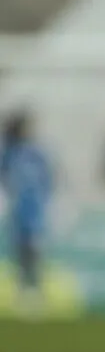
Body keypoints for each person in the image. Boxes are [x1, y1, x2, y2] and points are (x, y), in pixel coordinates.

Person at [0, 110, 53, 314]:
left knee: (35, 253)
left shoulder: (37, 153)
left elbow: (49, 180)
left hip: (35, 212)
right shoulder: (9, 152)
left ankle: (36, 294)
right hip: (17, 213)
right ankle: (22, 295)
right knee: (20, 255)